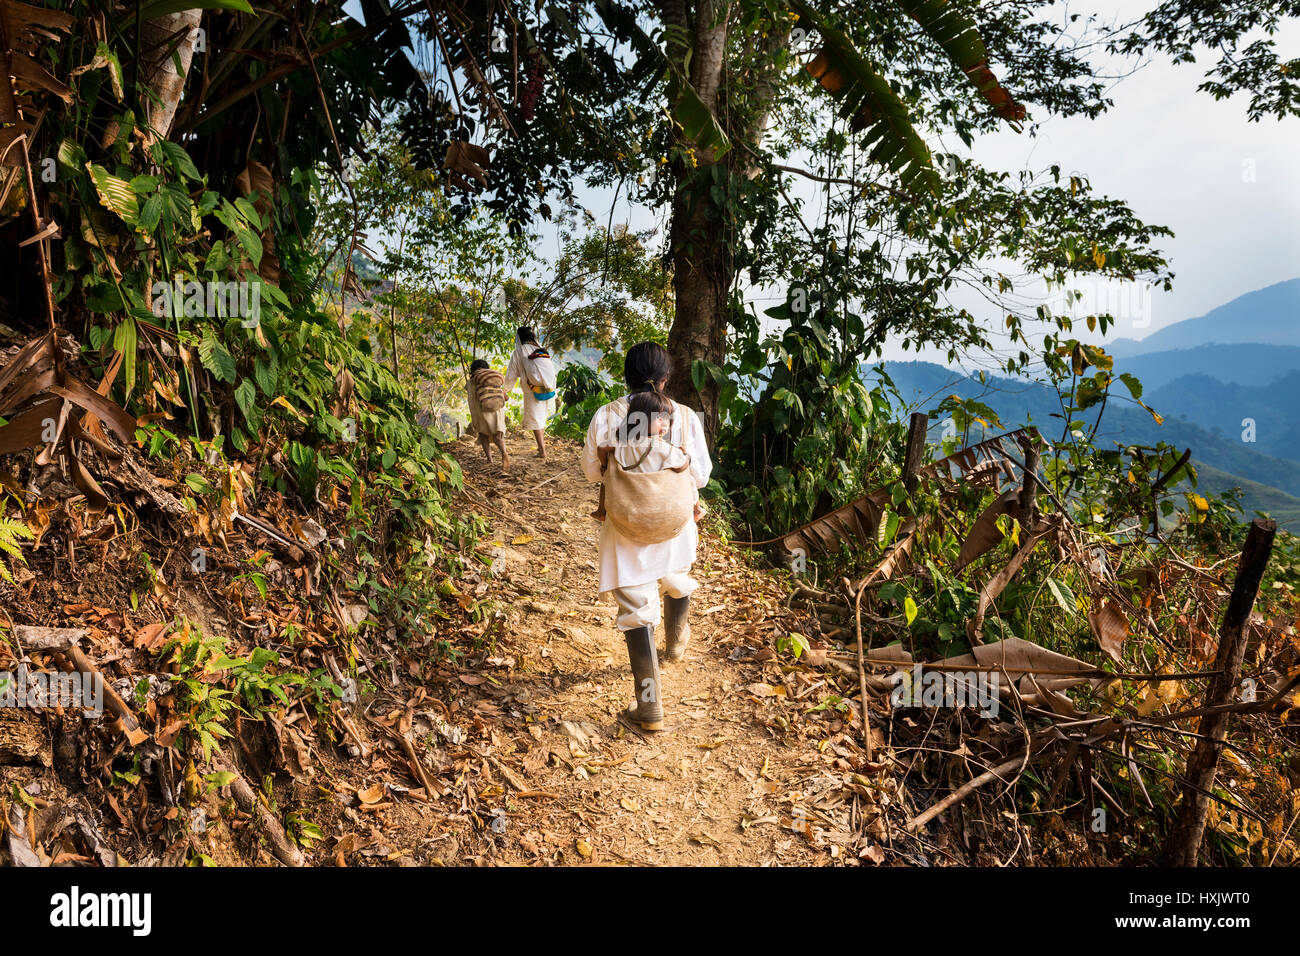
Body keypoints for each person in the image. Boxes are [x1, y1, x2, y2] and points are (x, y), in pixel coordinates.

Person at [582, 342, 712, 732]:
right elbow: (701, 476)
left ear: (626, 377)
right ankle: (675, 642)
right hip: (674, 523)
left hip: (626, 525)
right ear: (665, 380)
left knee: (637, 607)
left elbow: (591, 474)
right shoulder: (685, 416)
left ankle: (650, 707)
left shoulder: (606, 416)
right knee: (675, 575)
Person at [590, 389, 707, 525]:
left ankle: (601, 510)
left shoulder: (621, 444)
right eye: (659, 417)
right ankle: (697, 509)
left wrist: (604, 466)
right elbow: (682, 467)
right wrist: (685, 455)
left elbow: (602, 448)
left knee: (606, 479)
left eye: (667, 418)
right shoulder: (666, 449)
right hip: (658, 504)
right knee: (690, 479)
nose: (664, 423)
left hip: (628, 501)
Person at [503, 326, 556, 460]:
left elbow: (511, 375)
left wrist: (505, 390)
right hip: (546, 388)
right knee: (540, 419)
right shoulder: (541, 349)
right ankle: (540, 448)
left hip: (532, 390)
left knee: (535, 420)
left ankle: (542, 451)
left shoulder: (519, 352)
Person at [466, 358, 510, 470]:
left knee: (483, 435)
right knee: (498, 437)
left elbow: (471, 398)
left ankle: (489, 460)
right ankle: (504, 454)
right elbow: (506, 398)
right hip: (497, 411)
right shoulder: (494, 380)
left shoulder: (472, 382)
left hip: (482, 412)